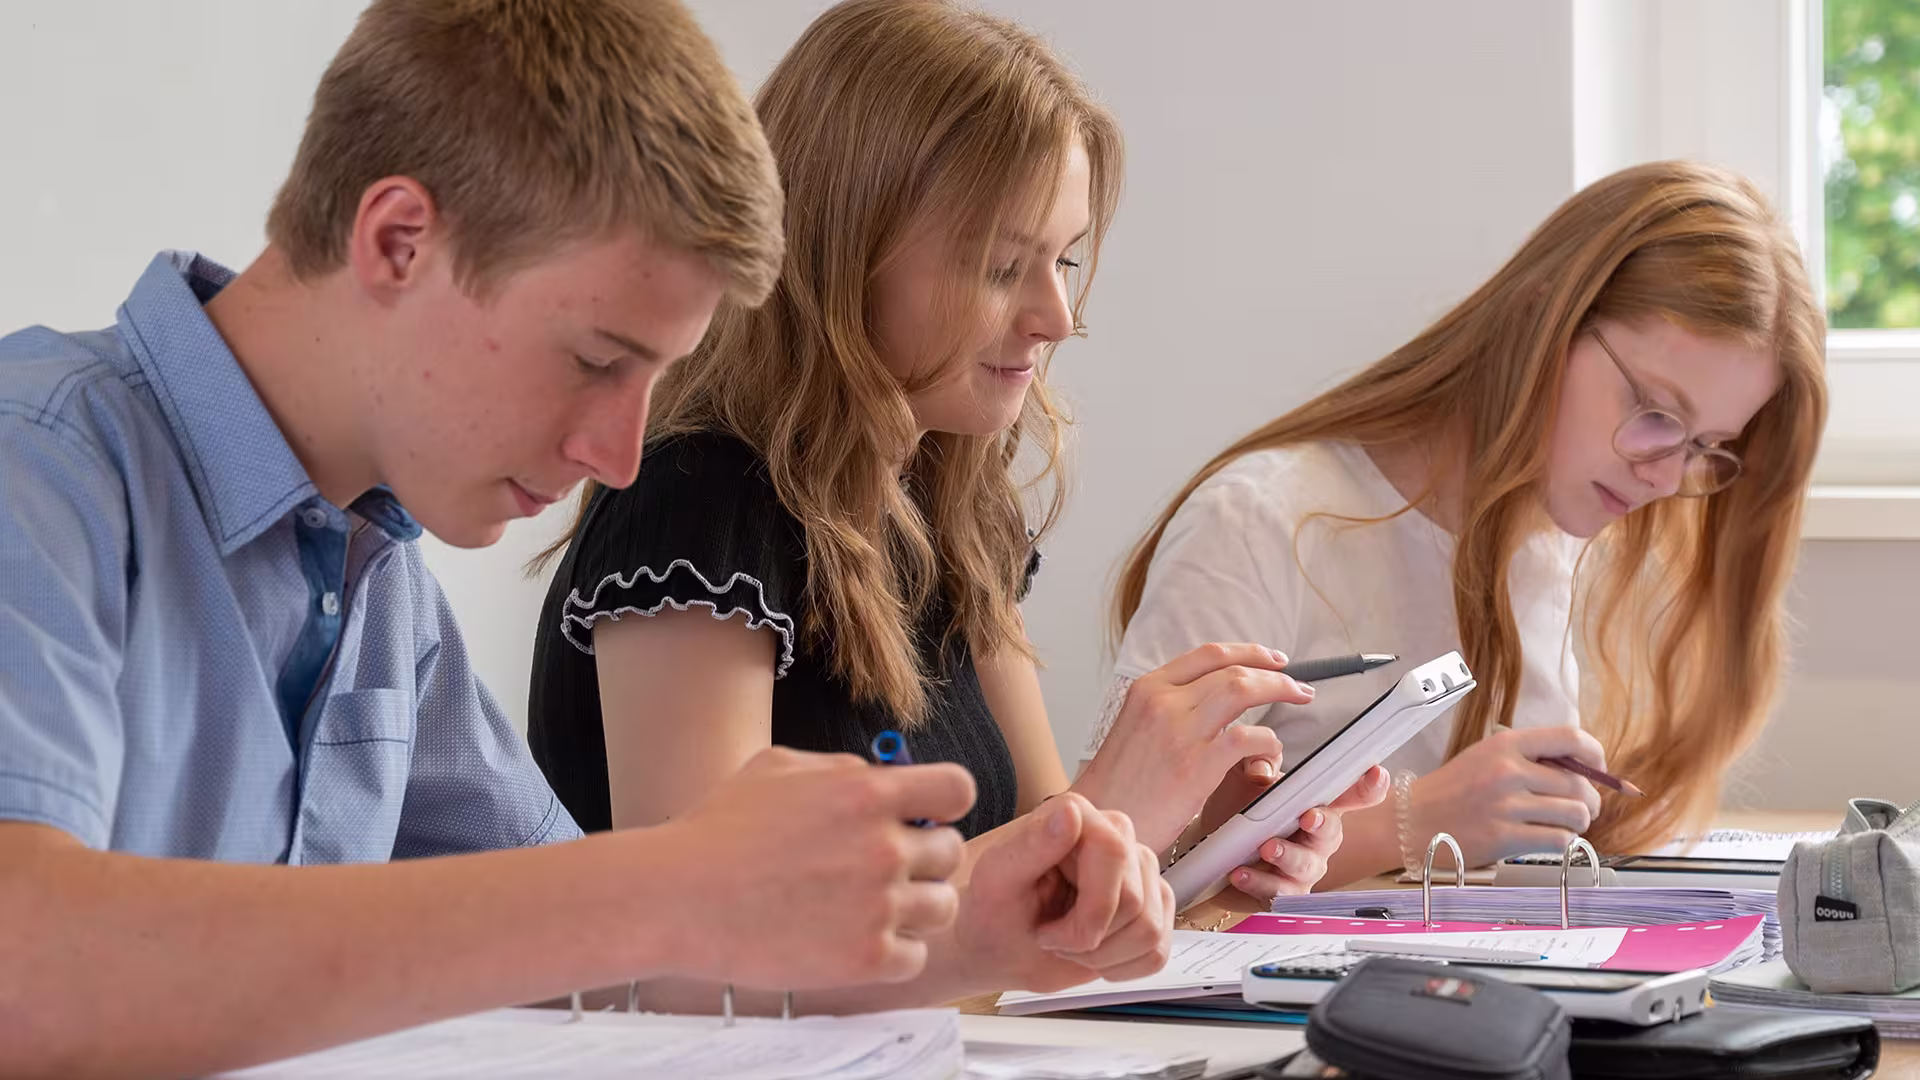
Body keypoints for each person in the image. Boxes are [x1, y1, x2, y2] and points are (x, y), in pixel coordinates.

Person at [0, 2, 1171, 1075]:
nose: (618, 458)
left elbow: (626, 964)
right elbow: (27, 965)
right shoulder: (39, 466)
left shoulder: (377, 573)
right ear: (400, 240)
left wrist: (981, 931)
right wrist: (665, 881)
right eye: (599, 361)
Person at [525, 0, 1386, 919]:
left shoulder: (953, 505)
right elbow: (710, 935)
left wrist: (1204, 833)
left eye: (1064, 261)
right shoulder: (697, 505)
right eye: (1002, 265)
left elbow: (1042, 874)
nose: (1055, 317)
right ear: (844, 251)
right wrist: (1107, 808)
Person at [1106, 161, 1827, 892]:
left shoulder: (1565, 547)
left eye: (1706, 447)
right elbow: (1117, 866)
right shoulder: (1262, 521)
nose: (1667, 478)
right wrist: (1418, 818)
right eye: (1656, 414)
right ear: (1542, 322)